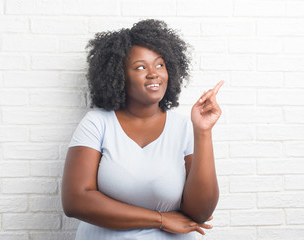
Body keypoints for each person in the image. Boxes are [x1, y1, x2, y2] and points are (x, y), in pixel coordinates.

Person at [62, 19, 223, 240]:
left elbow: (200, 213)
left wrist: (203, 131)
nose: (153, 73)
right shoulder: (97, 123)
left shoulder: (184, 127)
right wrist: (161, 219)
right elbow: (76, 201)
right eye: (140, 67)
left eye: (159, 65)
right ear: (118, 76)